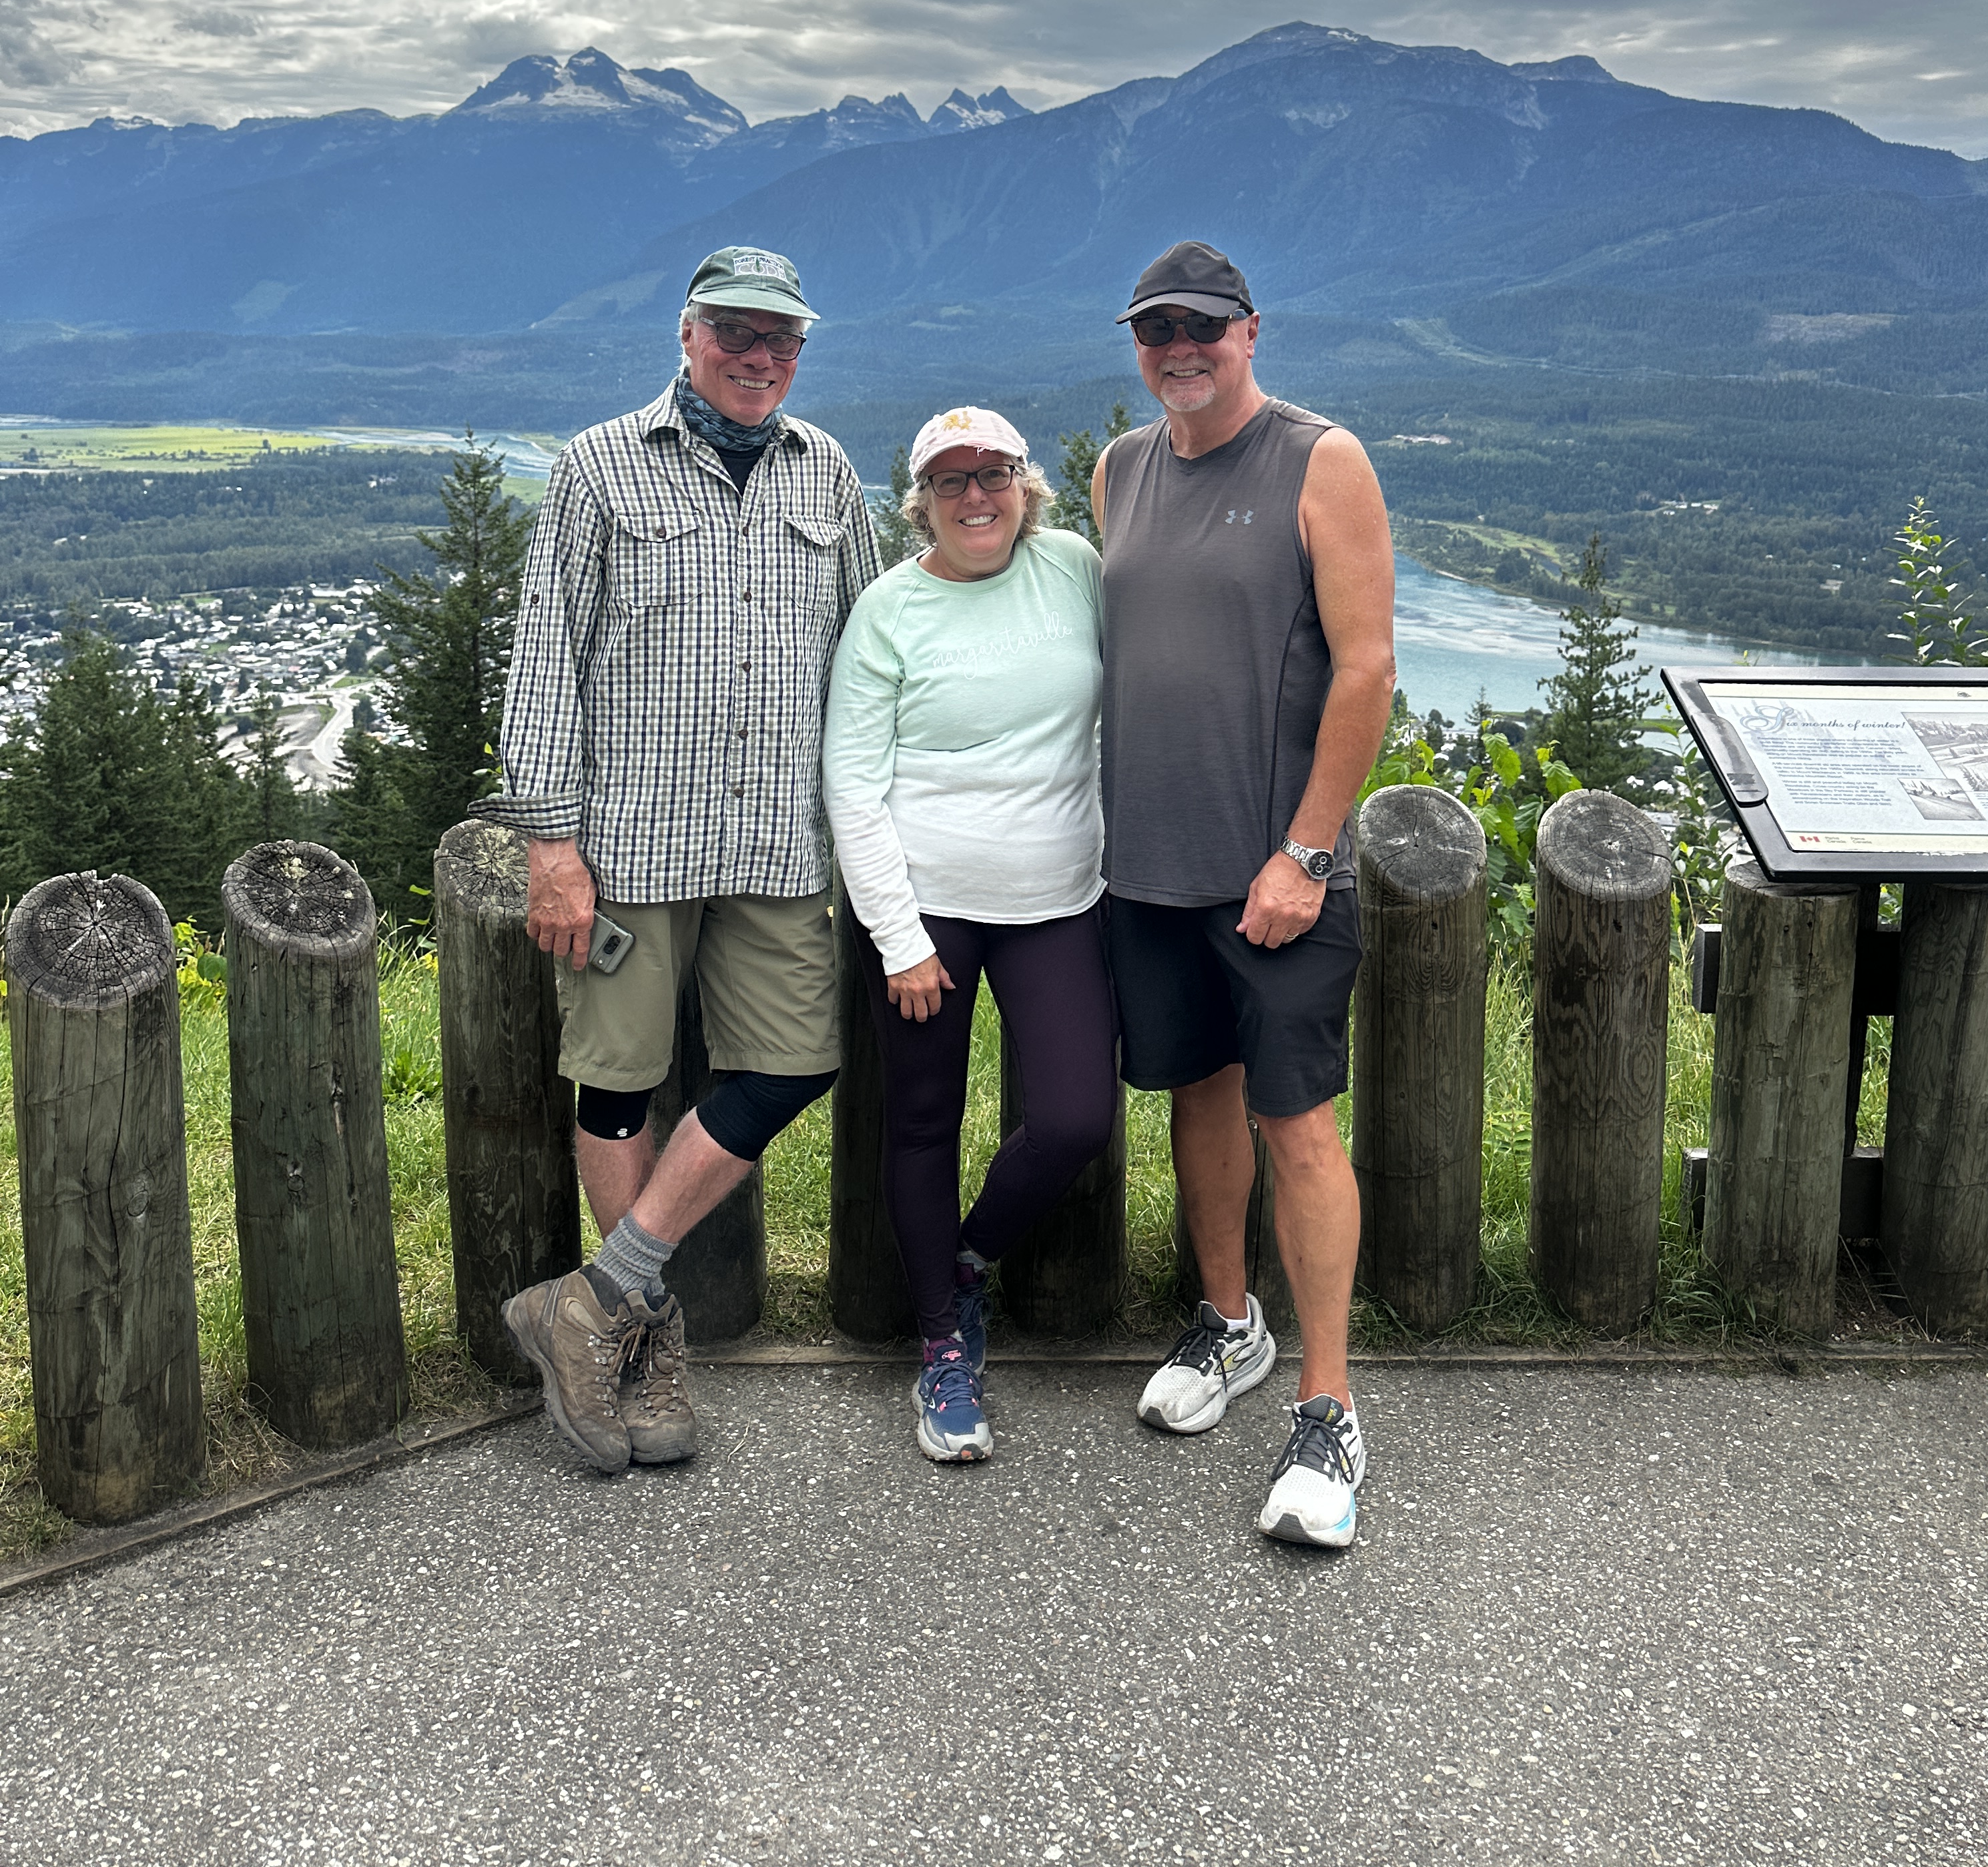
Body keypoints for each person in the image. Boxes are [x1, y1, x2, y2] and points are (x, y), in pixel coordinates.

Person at [484, 245, 876, 1473]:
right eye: (737, 333)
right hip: (631, 843)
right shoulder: (600, 464)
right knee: (618, 1081)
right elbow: (546, 652)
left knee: (796, 1060)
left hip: (777, 841)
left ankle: (593, 1300)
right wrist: (552, 843)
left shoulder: (827, 471)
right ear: (689, 334)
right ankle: (641, 1349)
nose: (761, 356)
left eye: (782, 338)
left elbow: (873, 647)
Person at [1092, 239, 1395, 1549]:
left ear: (1251, 332)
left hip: (1277, 876)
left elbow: (1367, 668)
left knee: (1298, 1126)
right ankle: (1230, 1325)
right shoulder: (1120, 469)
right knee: (1198, 1098)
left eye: (1204, 327)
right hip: (1150, 868)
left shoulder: (1322, 461)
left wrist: (1307, 854)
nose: (1181, 348)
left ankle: (1330, 1411)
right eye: (1157, 329)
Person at [823, 407, 1115, 1462]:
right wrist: (898, 936)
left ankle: (969, 1260)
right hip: (928, 906)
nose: (975, 497)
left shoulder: (1073, 569)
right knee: (922, 1124)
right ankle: (943, 1346)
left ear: (1026, 488)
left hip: (1060, 897)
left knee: (1076, 1118)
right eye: (951, 482)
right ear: (922, 504)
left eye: (993, 475)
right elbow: (853, 785)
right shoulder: (889, 611)